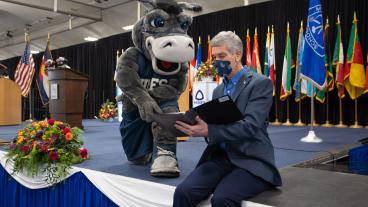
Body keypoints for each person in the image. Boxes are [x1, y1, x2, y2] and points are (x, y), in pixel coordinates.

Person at [173, 31, 282, 207]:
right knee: (183, 192)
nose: (217, 61)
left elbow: (251, 126)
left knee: (223, 199)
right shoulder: (218, 90)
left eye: (222, 56)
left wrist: (209, 130)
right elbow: (216, 126)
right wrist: (198, 126)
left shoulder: (260, 83)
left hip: (251, 160)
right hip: (221, 158)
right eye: (215, 57)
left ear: (237, 54)